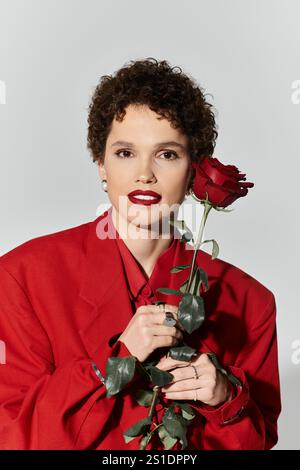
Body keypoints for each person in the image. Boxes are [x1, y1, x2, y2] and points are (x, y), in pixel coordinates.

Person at [0, 58, 281, 450]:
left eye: (167, 154)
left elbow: (258, 441)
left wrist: (225, 401)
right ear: (100, 163)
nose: (144, 173)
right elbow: (13, 436)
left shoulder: (250, 303)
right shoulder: (22, 278)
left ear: (194, 173)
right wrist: (112, 363)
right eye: (125, 152)